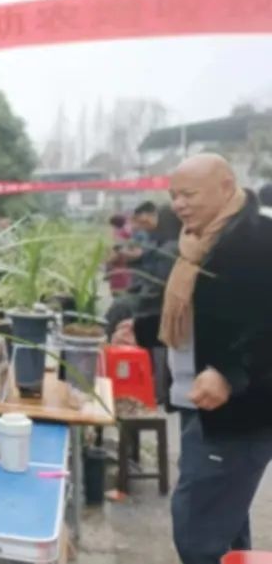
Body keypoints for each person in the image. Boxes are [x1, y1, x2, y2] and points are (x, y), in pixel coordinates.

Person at [132, 154, 272, 564]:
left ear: (227, 187)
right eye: (173, 195)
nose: (178, 204)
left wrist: (230, 373)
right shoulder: (202, 241)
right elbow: (200, 312)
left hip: (238, 410)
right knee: (224, 519)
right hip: (199, 400)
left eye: (188, 194)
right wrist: (141, 330)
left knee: (197, 527)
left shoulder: (257, 241)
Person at [106, 214, 132, 295]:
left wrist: (107, 261)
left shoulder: (118, 235)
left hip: (118, 271)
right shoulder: (128, 232)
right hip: (127, 269)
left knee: (119, 294)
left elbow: (116, 254)